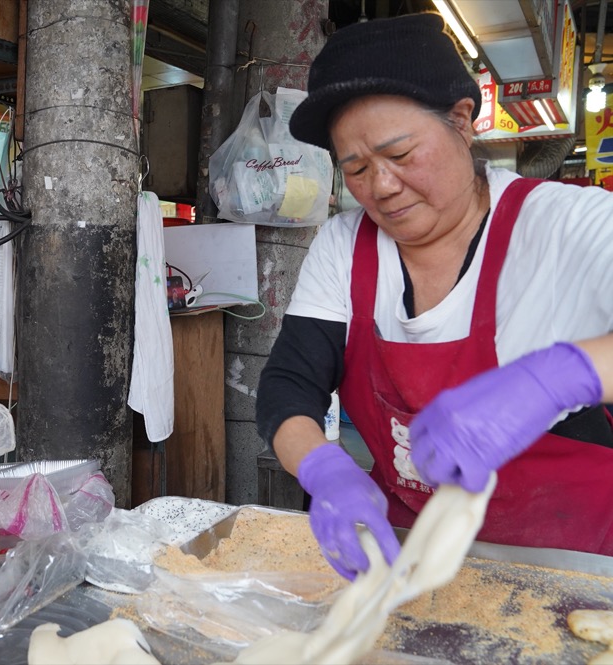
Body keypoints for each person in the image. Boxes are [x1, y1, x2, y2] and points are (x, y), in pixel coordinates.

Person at [255, 12, 613, 581]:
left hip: (574, 563)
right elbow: (287, 387)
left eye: (400, 155)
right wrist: (322, 467)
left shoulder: (565, 224)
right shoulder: (346, 246)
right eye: (356, 169)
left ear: (462, 121)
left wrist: (559, 376)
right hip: (411, 554)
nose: (382, 186)